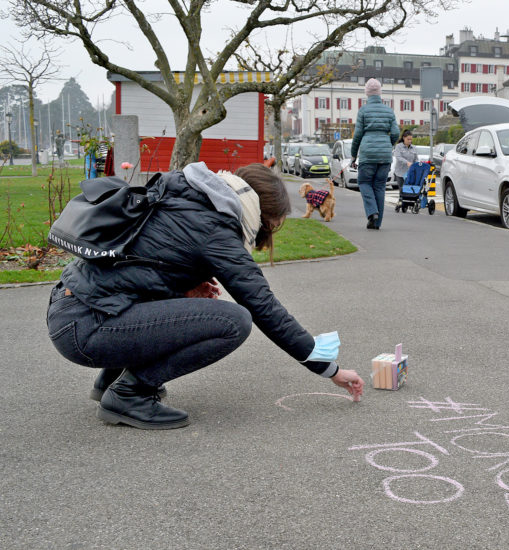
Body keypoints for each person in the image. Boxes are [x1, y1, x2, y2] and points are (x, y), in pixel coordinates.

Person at [46, 161, 364, 430]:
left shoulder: (186, 194)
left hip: (71, 310)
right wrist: (330, 369)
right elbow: (264, 307)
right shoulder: (216, 229)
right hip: (87, 327)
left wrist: (182, 285)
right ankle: (130, 394)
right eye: (271, 227)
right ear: (261, 213)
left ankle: (110, 381)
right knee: (234, 321)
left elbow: (141, 265)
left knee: (195, 304)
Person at [350, 78, 399, 230]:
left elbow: (357, 135)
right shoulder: (389, 111)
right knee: (379, 187)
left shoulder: (363, 110)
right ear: (380, 93)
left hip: (367, 154)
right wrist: (388, 144)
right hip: (384, 156)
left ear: (367, 93)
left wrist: (353, 155)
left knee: (364, 183)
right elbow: (396, 133)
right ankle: (377, 223)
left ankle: (372, 212)